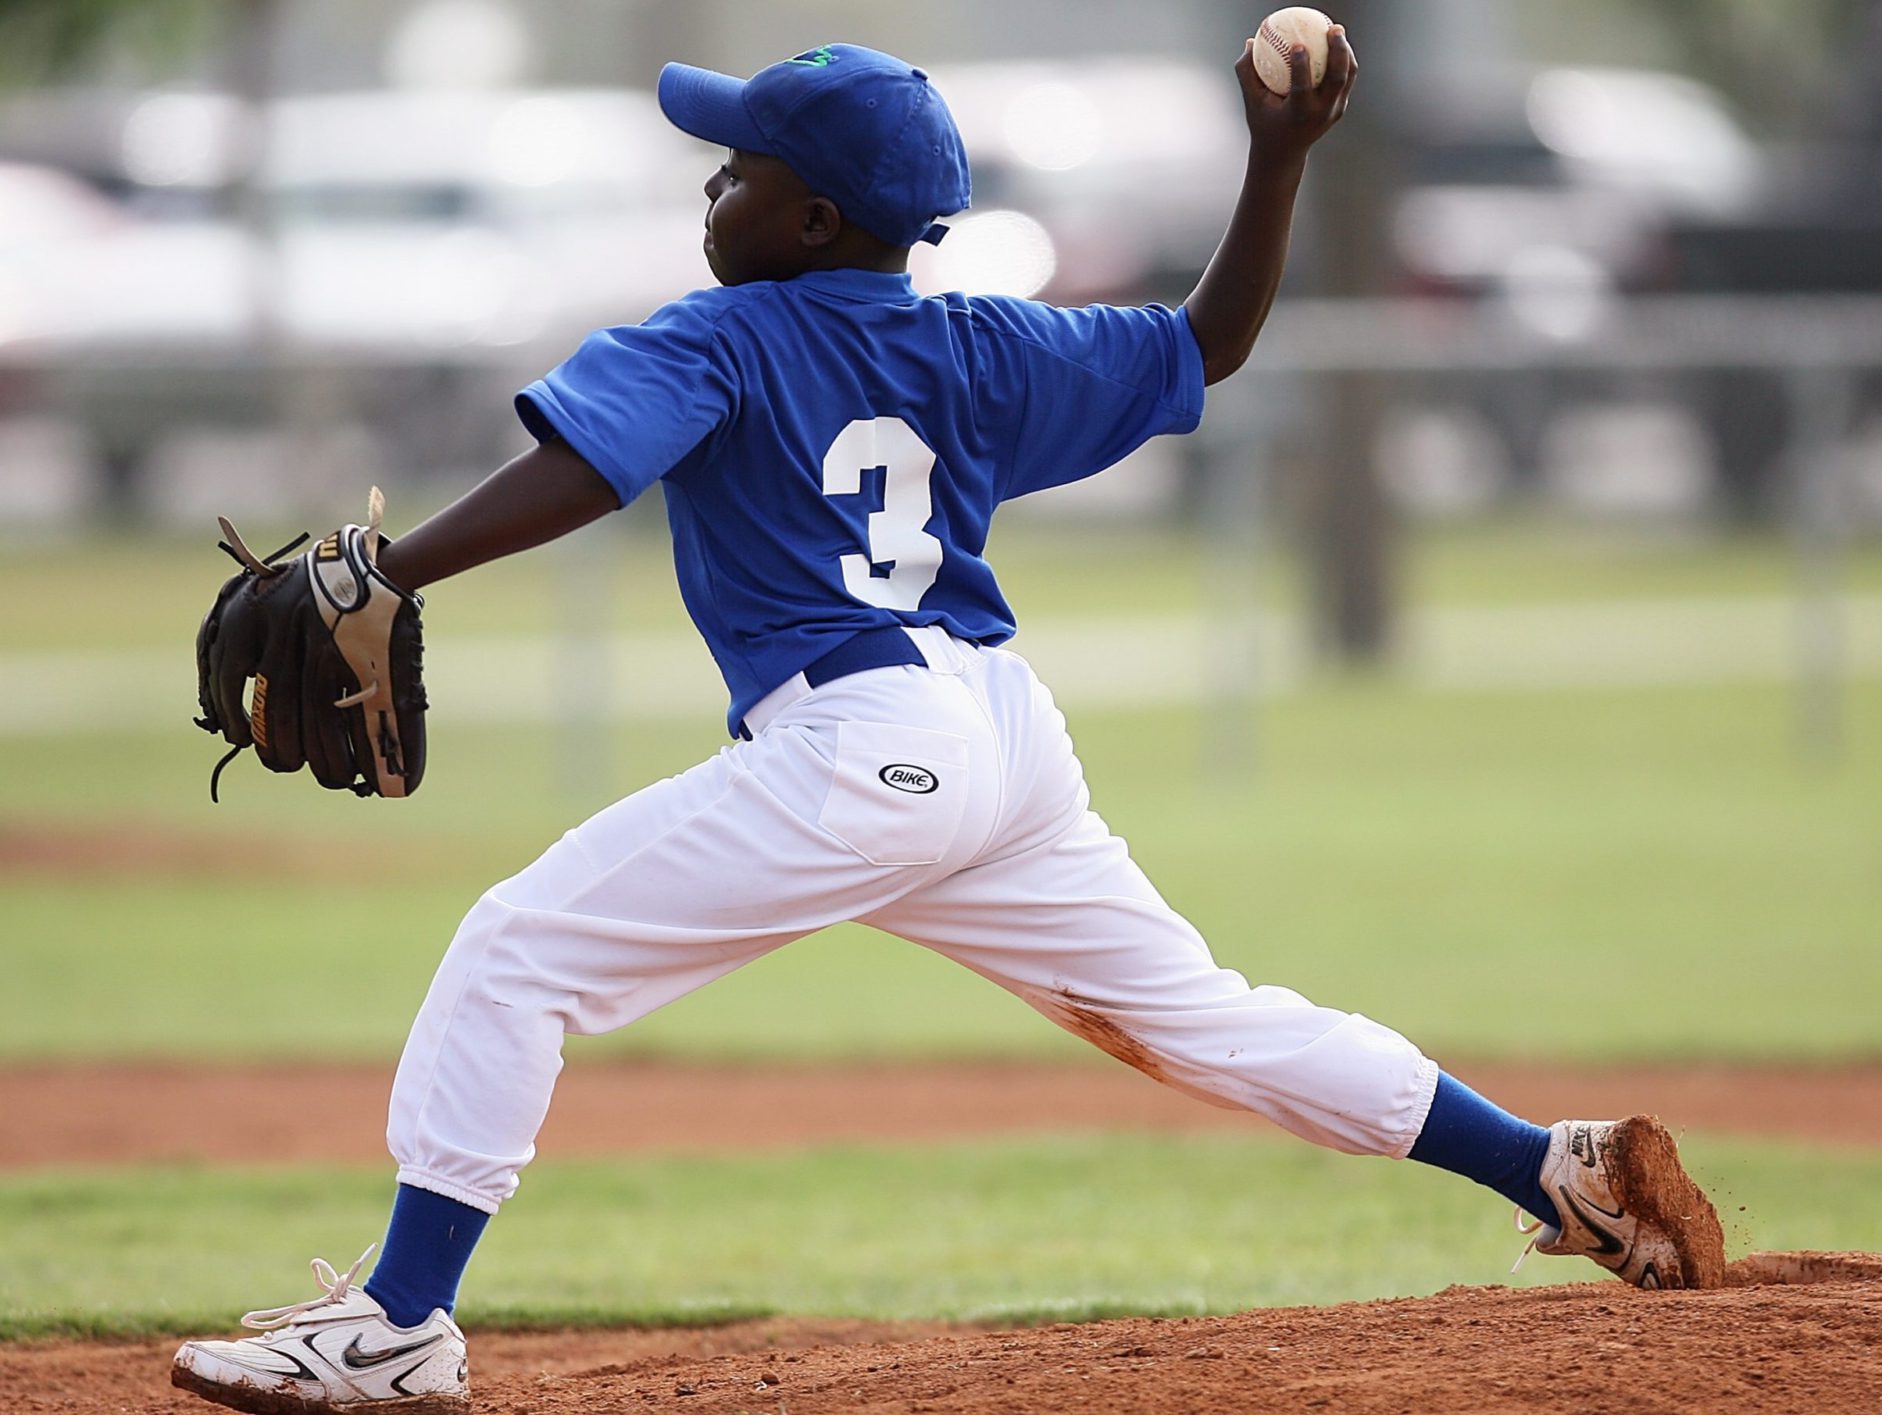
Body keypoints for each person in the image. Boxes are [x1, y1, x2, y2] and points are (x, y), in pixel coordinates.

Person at [171, 29, 1720, 1415]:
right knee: (1200, 1014)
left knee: (519, 951)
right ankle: (1555, 1167)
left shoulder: (723, 337)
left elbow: (589, 469)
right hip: (1000, 740)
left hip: (860, 749)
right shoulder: (981, 341)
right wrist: (1275, 158)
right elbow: (1210, 342)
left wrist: (387, 563)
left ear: (815, 222)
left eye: (739, 173)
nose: (712, 192)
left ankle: (398, 1325)